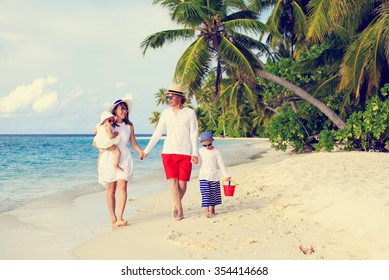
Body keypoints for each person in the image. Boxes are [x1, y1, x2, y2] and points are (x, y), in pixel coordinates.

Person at [142, 84, 199, 221]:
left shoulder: (190, 113)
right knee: (173, 182)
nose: (168, 99)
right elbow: (157, 133)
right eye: (167, 97)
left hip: (185, 152)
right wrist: (146, 151)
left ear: (179, 97)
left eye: (171, 96)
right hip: (168, 152)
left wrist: (195, 152)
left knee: (182, 184)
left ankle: (175, 205)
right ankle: (180, 210)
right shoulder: (165, 114)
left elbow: (194, 132)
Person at [93, 97, 144, 226]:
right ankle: (113, 217)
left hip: (124, 156)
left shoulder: (129, 126)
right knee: (111, 189)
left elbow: (133, 143)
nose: (124, 111)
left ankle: (120, 217)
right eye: (122, 108)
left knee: (122, 186)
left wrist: (141, 152)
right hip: (109, 156)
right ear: (115, 111)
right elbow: (95, 142)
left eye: (125, 109)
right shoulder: (107, 125)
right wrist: (105, 147)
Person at [198, 131, 231, 218]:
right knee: (205, 193)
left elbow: (221, 164)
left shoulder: (216, 151)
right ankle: (207, 212)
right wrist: (193, 160)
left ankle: (212, 210)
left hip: (214, 176)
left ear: (212, 141)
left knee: (213, 194)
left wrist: (226, 175)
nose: (207, 147)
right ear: (201, 143)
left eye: (209, 144)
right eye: (204, 145)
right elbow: (196, 161)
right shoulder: (200, 151)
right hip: (203, 176)